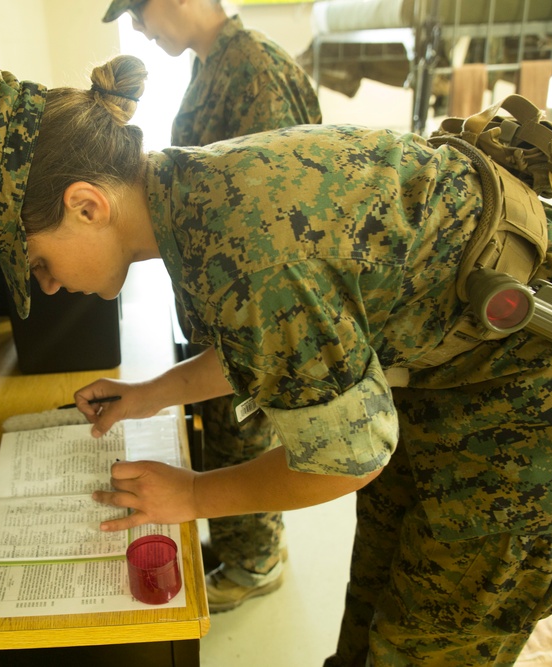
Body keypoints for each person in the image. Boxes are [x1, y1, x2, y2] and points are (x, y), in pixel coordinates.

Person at [0, 56, 552, 666]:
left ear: (86, 203)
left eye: (38, 261)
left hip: (547, 410)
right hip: (460, 376)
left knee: (431, 640)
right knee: (375, 596)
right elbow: (282, 338)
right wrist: (153, 393)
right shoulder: (192, 192)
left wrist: (190, 496)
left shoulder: (244, 242)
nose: (51, 285)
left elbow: (348, 460)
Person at [102, 0, 323, 611]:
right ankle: (242, 548)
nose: (141, 29)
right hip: (227, 309)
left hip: (258, 309)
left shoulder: (254, 70)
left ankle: (255, 562)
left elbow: (282, 212)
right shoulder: (212, 67)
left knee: (248, 431)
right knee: (229, 431)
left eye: (140, 14)